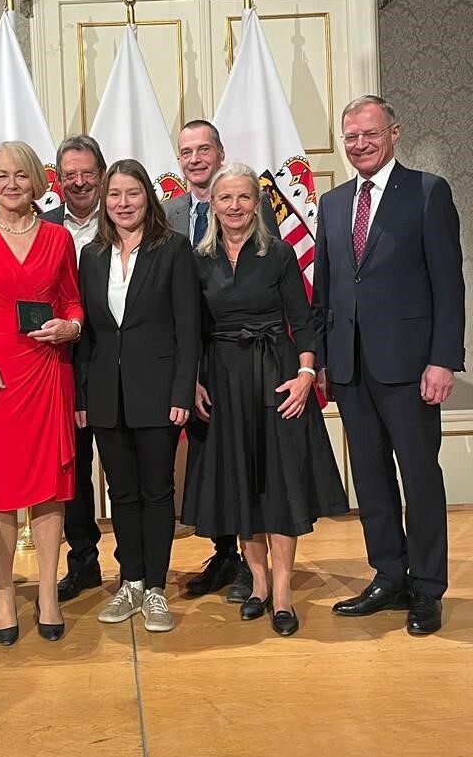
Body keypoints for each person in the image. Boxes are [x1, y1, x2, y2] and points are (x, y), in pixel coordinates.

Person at [313, 95, 465, 636]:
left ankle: (426, 588)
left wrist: (443, 359)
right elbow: (327, 289)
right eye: (351, 136)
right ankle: (389, 576)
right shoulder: (333, 203)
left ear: (394, 133)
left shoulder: (427, 192)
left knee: (419, 478)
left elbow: (448, 284)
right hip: (350, 368)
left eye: (370, 134)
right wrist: (325, 360)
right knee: (371, 479)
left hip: (409, 367)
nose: (360, 144)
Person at [183, 162, 347, 637]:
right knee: (242, 483)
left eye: (243, 197)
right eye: (225, 198)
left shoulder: (278, 253)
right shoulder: (199, 259)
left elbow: (304, 319)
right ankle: (256, 584)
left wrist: (305, 375)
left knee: (279, 486)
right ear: (212, 205)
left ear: (257, 204)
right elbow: (192, 329)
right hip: (223, 381)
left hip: (276, 377)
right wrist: (194, 380)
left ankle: (282, 593)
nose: (235, 206)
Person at [0, 141, 83, 645]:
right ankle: (4, 593)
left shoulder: (59, 238)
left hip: (47, 371)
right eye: (2, 175)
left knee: (50, 489)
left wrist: (70, 328)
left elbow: (72, 302)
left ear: (37, 182)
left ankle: (47, 592)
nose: (11, 184)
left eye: (21, 176)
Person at [76, 159, 200, 633]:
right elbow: (88, 335)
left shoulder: (173, 248)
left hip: (158, 393)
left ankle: (155, 589)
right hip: (106, 395)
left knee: (157, 491)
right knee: (122, 493)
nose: (123, 203)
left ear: (148, 197)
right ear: (104, 201)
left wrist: (182, 390)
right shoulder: (92, 255)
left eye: (132, 193)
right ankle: (130, 581)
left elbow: (188, 328)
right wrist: (82, 396)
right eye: (115, 195)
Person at [164, 119, 279, 604]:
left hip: (246, 361)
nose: (195, 159)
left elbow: (269, 280)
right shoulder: (167, 213)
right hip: (196, 361)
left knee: (247, 460)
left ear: (219, 152)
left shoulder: (254, 207)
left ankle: (253, 566)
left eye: (203, 149)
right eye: (186, 151)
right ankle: (224, 553)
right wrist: (187, 374)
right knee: (213, 461)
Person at [41, 134, 106, 601]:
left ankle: (138, 567)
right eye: (70, 175)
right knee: (74, 470)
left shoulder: (126, 219)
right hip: (62, 365)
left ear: (101, 174)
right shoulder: (42, 227)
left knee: (127, 470)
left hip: (121, 361)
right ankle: (84, 560)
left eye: (87, 173)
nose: (79, 182)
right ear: (58, 181)